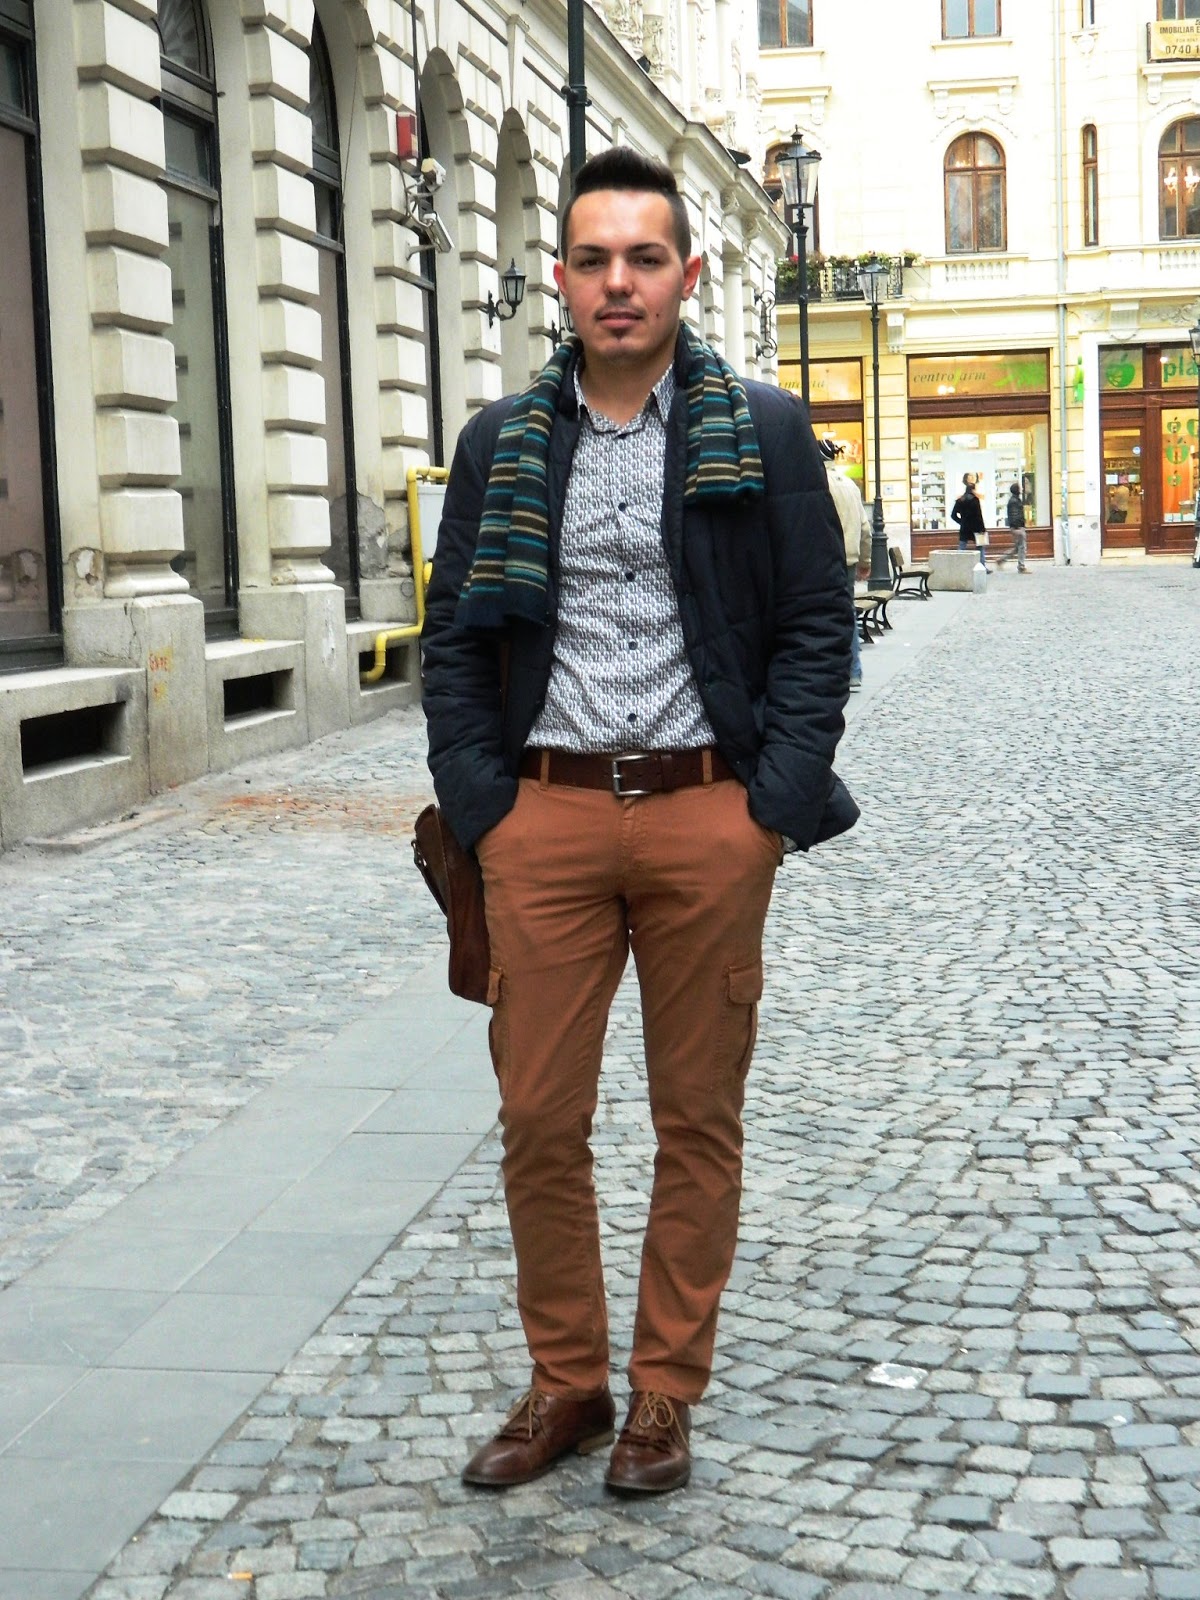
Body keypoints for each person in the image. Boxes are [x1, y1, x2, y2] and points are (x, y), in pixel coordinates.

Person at [421, 146, 857, 1498]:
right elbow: (453, 637)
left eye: (645, 258)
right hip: (543, 818)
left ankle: (665, 1389)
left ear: (688, 274)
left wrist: (766, 811)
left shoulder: (762, 431)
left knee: (695, 1118)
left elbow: (816, 628)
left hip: (703, 816)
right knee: (538, 1118)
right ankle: (569, 1381)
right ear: (561, 277)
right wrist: (485, 808)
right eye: (595, 259)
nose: (620, 283)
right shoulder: (500, 441)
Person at [821, 438, 871, 690]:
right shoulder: (850, 485)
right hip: (849, 558)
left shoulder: (819, 484)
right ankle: (854, 671)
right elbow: (865, 527)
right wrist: (865, 560)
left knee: (822, 613)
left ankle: (831, 671)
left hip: (825, 558)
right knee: (847, 611)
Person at [951, 471, 987, 568]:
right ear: (973, 490)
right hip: (977, 528)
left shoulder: (959, 501)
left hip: (965, 527)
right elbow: (979, 516)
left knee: (962, 547)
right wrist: (983, 529)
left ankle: (957, 566)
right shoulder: (975, 500)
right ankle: (982, 566)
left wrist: (961, 522)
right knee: (980, 547)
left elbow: (953, 515)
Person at [994, 481, 1028, 572]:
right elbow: (1014, 515)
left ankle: (1001, 560)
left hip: (1017, 526)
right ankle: (1021, 566)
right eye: (1020, 488)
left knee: (1017, 548)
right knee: (1022, 547)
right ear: (1017, 490)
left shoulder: (1015, 500)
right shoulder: (1014, 501)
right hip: (1018, 527)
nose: (1022, 489)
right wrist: (1017, 527)